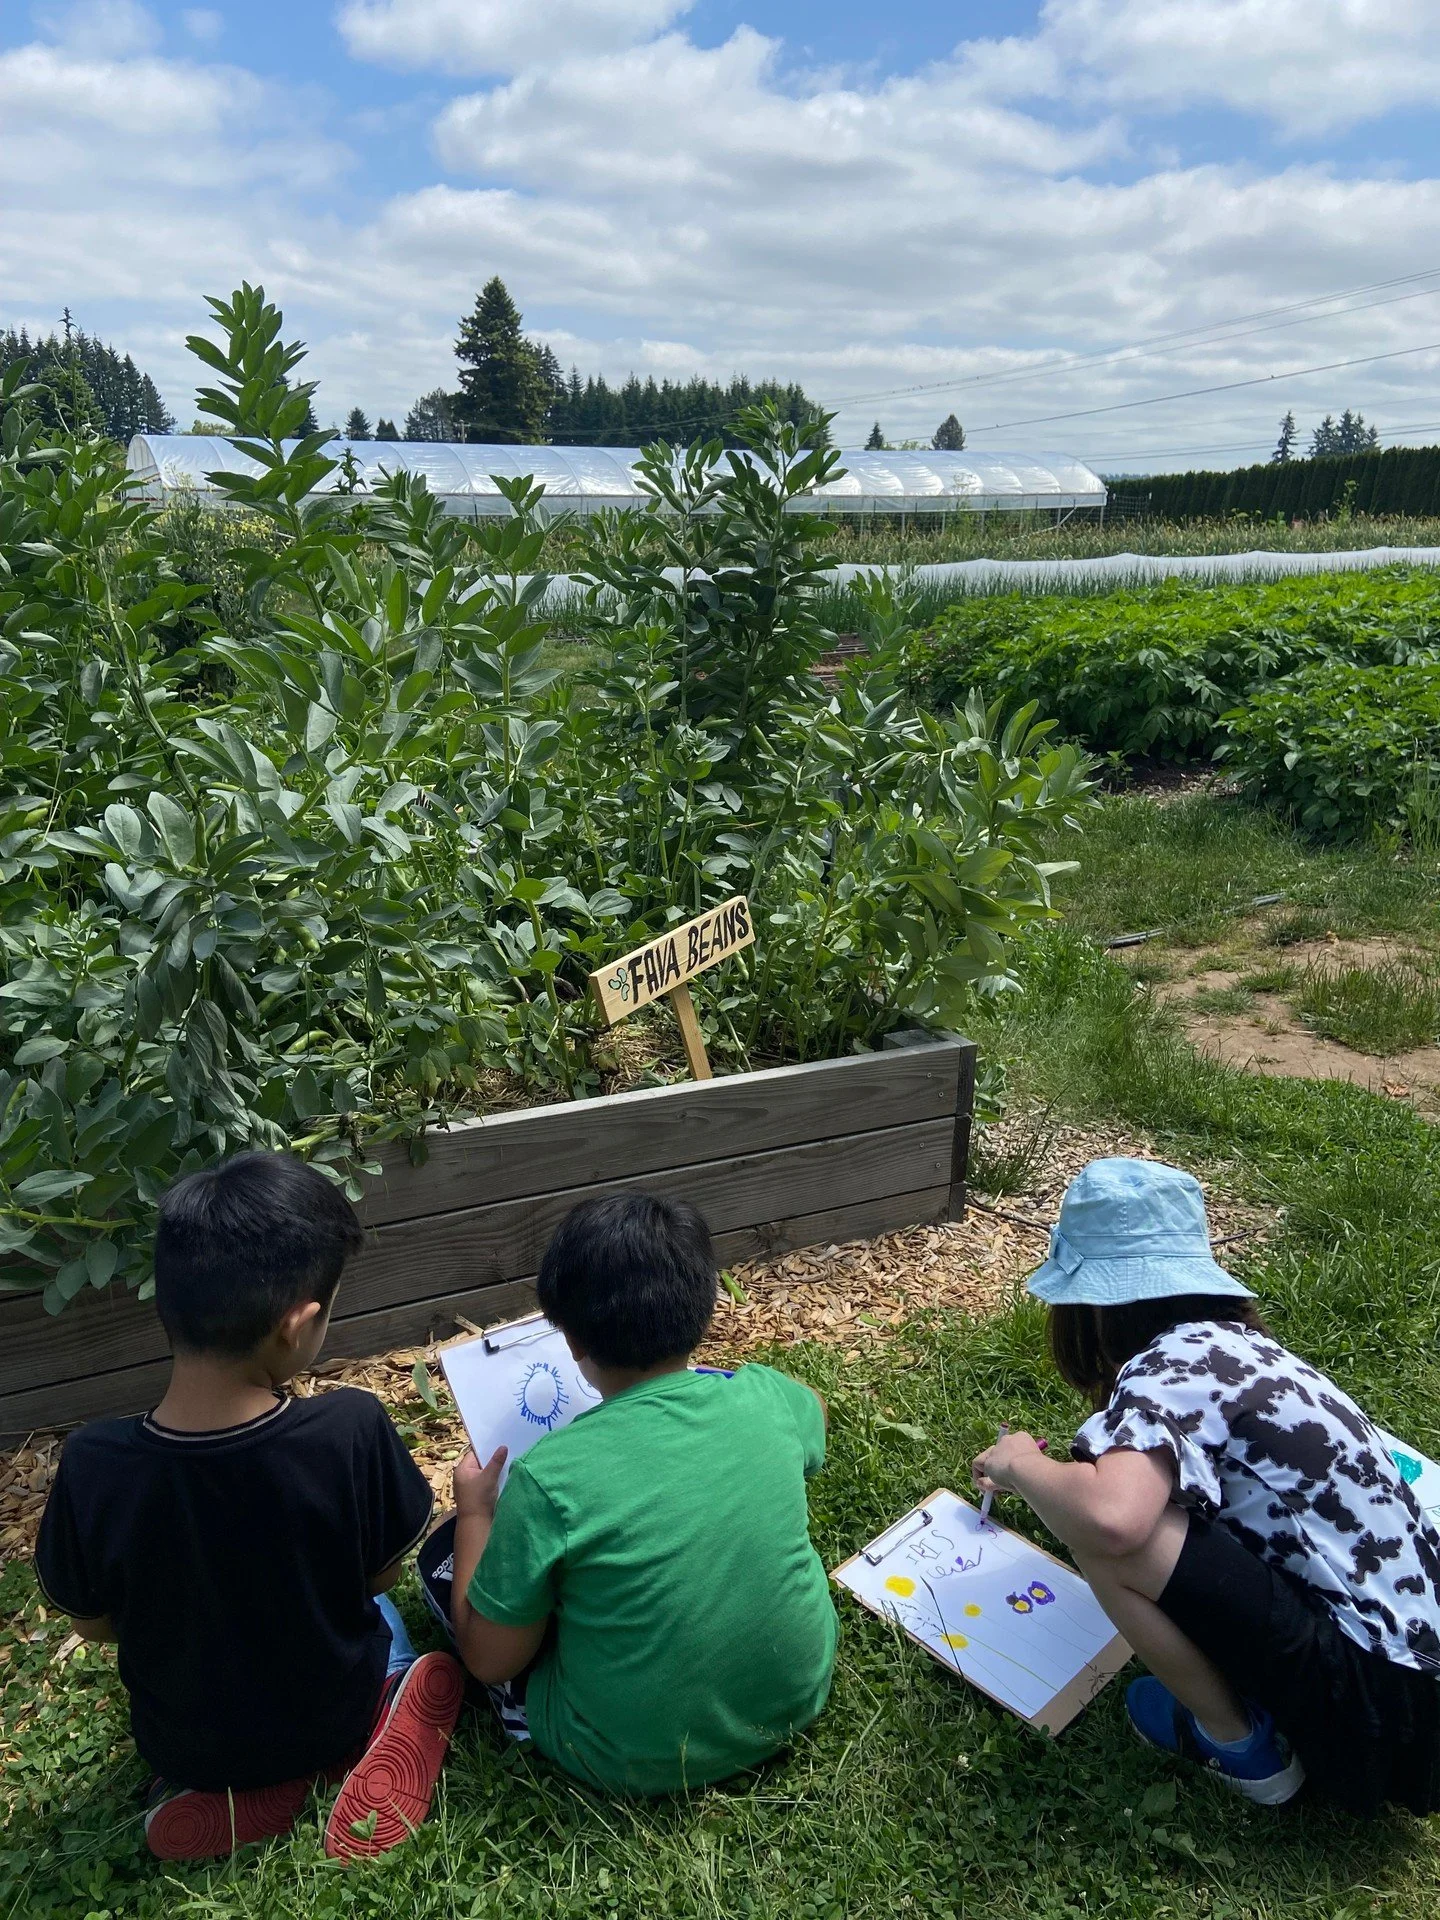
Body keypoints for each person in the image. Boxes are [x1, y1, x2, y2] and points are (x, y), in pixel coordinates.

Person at [972, 1156, 1440, 1815]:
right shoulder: (1242, 1349)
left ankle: (1242, 1748)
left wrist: (1021, 1463)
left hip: (1373, 1706)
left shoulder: (1167, 1363)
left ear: (1090, 1311)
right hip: (1419, 1685)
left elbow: (1114, 1517)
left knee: (1114, 1544)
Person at [34, 1152, 465, 1862]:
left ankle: (216, 1787)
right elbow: (379, 1579)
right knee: (388, 1625)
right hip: (333, 1709)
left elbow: (94, 1622)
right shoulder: (349, 1429)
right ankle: (378, 1721)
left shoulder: (94, 1462)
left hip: (187, 1743)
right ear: (295, 1327)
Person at [446, 1192, 837, 1794]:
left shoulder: (547, 1477)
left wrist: (474, 1510)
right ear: (704, 1306)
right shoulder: (765, 1397)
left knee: (442, 1567)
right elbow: (816, 1410)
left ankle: (520, 1717)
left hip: (623, 1754)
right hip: (796, 1696)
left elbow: (488, 1660)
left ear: (571, 1343)